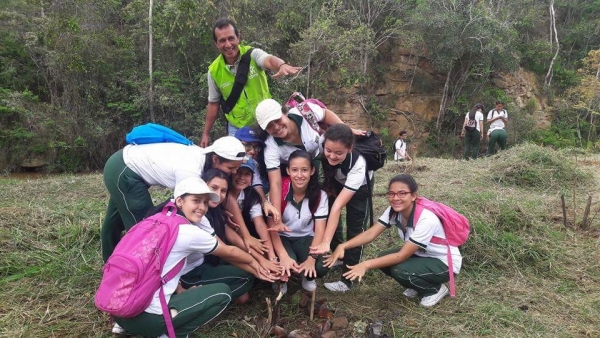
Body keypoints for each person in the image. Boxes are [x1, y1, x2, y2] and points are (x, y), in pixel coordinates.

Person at [113, 177, 276, 338]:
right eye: (196, 201)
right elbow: (229, 252)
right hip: (147, 318)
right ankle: (169, 334)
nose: (202, 207)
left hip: (119, 306)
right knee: (223, 294)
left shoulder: (157, 220)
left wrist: (180, 289)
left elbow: (160, 266)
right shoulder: (187, 232)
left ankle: (135, 322)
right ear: (179, 201)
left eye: (205, 202)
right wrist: (259, 266)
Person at [100, 136, 247, 262]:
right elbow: (187, 208)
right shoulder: (191, 170)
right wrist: (216, 240)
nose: (234, 172)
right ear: (215, 159)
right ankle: (138, 272)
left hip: (121, 162)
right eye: (230, 168)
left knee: (114, 221)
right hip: (125, 171)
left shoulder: (203, 159)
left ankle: (110, 264)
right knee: (144, 228)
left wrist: (220, 211)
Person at [324, 174, 462, 307]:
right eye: (391, 193)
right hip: (423, 254)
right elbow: (371, 233)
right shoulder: (394, 211)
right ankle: (417, 284)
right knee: (383, 259)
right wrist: (343, 245)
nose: (396, 198)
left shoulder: (426, 219)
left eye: (402, 193)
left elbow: (402, 255)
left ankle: (434, 290)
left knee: (400, 270)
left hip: (444, 262)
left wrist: (365, 264)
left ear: (413, 196)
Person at [255, 98, 364, 232]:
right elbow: (275, 183)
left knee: (329, 201)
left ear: (284, 113)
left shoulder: (304, 112)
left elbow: (326, 114)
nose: (276, 127)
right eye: (269, 126)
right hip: (297, 173)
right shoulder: (271, 146)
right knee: (312, 204)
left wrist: (347, 130)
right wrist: (277, 218)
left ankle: (333, 242)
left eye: (277, 120)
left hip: (324, 160)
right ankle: (311, 237)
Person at [178, 169, 280, 305]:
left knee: (244, 289)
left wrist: (262, 261)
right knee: (245, 280)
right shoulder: (194, 217)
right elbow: (227, 251)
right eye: (213, 188)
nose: (218, 194)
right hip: (189, 272)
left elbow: (233, 239)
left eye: (223, 191)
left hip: (204, 260)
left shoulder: (213, 210)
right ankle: (197, 298)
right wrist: (259, 265)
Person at [201, 18, 303, 147]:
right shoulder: (214, 71)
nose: (228, 44)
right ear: (216, 44)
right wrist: (206, 133)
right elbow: (213, 104)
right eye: (222, 40)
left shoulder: (252, 55)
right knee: (240, 163)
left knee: (270, 158)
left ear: (238, 37)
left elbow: (268, 60)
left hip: (266, 122)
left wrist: (281, 65)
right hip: (238, 128)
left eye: (231, 38)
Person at [309, 124, 372, 292]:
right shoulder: (324, 140)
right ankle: (338, 255)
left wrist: (325, 241)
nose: (332, 156)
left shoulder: (358, 164)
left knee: (355, 228)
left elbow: (338, 206)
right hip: (336, 180)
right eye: (328, 150)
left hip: (359, 188)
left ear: (349, 149)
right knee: (328, 213)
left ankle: (348, 279)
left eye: (339, 153)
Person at [268, 150, 330, 293]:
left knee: (321, 267)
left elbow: (320, 230)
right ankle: (281, 279)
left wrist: (311, 259)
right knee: (285, 263)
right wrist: (283, 257)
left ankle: (307, 277)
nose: (300, 175)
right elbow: (272, 228)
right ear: (288, 170)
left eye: (304, 170)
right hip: (282, 238)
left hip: (306, 238)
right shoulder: (279, 191)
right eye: (295, 170)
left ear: (312, 171)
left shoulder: (320, 195)